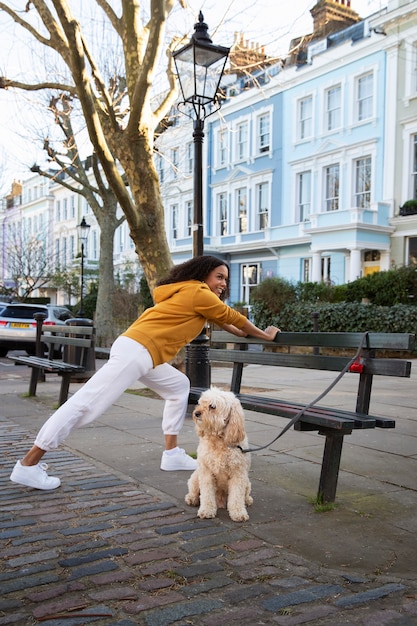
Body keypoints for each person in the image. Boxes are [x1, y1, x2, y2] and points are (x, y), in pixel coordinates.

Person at [10, 255, 280, 490]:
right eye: (219, 276)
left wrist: (252, 331)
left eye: (225, 279)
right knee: (85, 405)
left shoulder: (192, 295)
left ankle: (172, 453)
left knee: (177, 386)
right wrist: (265, 336)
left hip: (140, 352)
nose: (223, 283)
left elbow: (230, 323)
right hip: (137, 353)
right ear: (203, 274)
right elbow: (235, 318)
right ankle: (28, 464)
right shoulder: (198, 292)